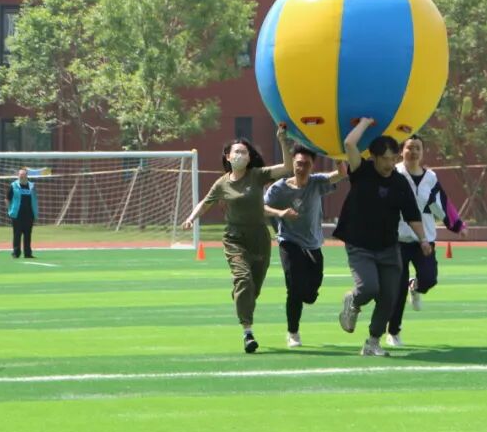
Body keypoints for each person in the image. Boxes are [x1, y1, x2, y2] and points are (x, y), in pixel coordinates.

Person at [182, 124, 292, 353]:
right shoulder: (222, 183)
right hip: (234, 238)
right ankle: (247, 332)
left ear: (249, 157)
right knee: (243, 279)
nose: (240, 155)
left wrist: (282, 140)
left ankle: (241, 296)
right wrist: (191, 218)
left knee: (253, 289)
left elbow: (287, 167)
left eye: (244, 152)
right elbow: (206, 202)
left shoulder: (257, 175)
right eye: (237, 152)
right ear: (228, 157)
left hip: (259, 238)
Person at [332, 118, 430, 356]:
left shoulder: (399, 182)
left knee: (389, 296)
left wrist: (423, 239)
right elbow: (349, 144)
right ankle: (353, 301)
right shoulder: (361, 171)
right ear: (374, 157)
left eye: (393, 158)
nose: (390, 164)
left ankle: (372, 342)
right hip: (359, 244)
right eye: (385, 159)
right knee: (368, 288)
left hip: (388, 246)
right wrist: (365, 123)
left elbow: (412, 214)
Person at [386, 135, 466, 347]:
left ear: (422, 153)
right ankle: (393, 331)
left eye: (417, 148)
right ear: (401, 151)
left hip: (424, 240)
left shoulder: (430, 178)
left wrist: (458, 225)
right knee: (397, 289)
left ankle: (416, 287)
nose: (413, 152)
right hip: (398, 240)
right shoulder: (393, 173)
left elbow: (442, 204)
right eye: (409, 148)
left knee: (429, 278)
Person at [263, 146, 347, 348]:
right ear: (293, 163)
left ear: (312, 166)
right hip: (289, 241)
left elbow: (341, 174)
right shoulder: (279, 188)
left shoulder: (316, 183)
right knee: (294, 288)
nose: (301, 168)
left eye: (306, 164)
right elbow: (262, 208)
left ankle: (304, 298)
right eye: (299, 163)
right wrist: (280, 213)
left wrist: (337, 155)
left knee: (309, 295)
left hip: (313, 244)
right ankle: (293, 332)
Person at [6, 167, 38, 258]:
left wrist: (35, 212)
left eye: (23, 175)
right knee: (17, 234)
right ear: (18, 175)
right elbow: (7, 199)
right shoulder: (13, 185)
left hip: (29, 214)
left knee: (28, 234)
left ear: (26, 176)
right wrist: (10, 210)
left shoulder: (31, 186)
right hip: (17, 215)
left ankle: (28, 253)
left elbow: (34, 199)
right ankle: (16, 253)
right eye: (20, 175)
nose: (22, 176)